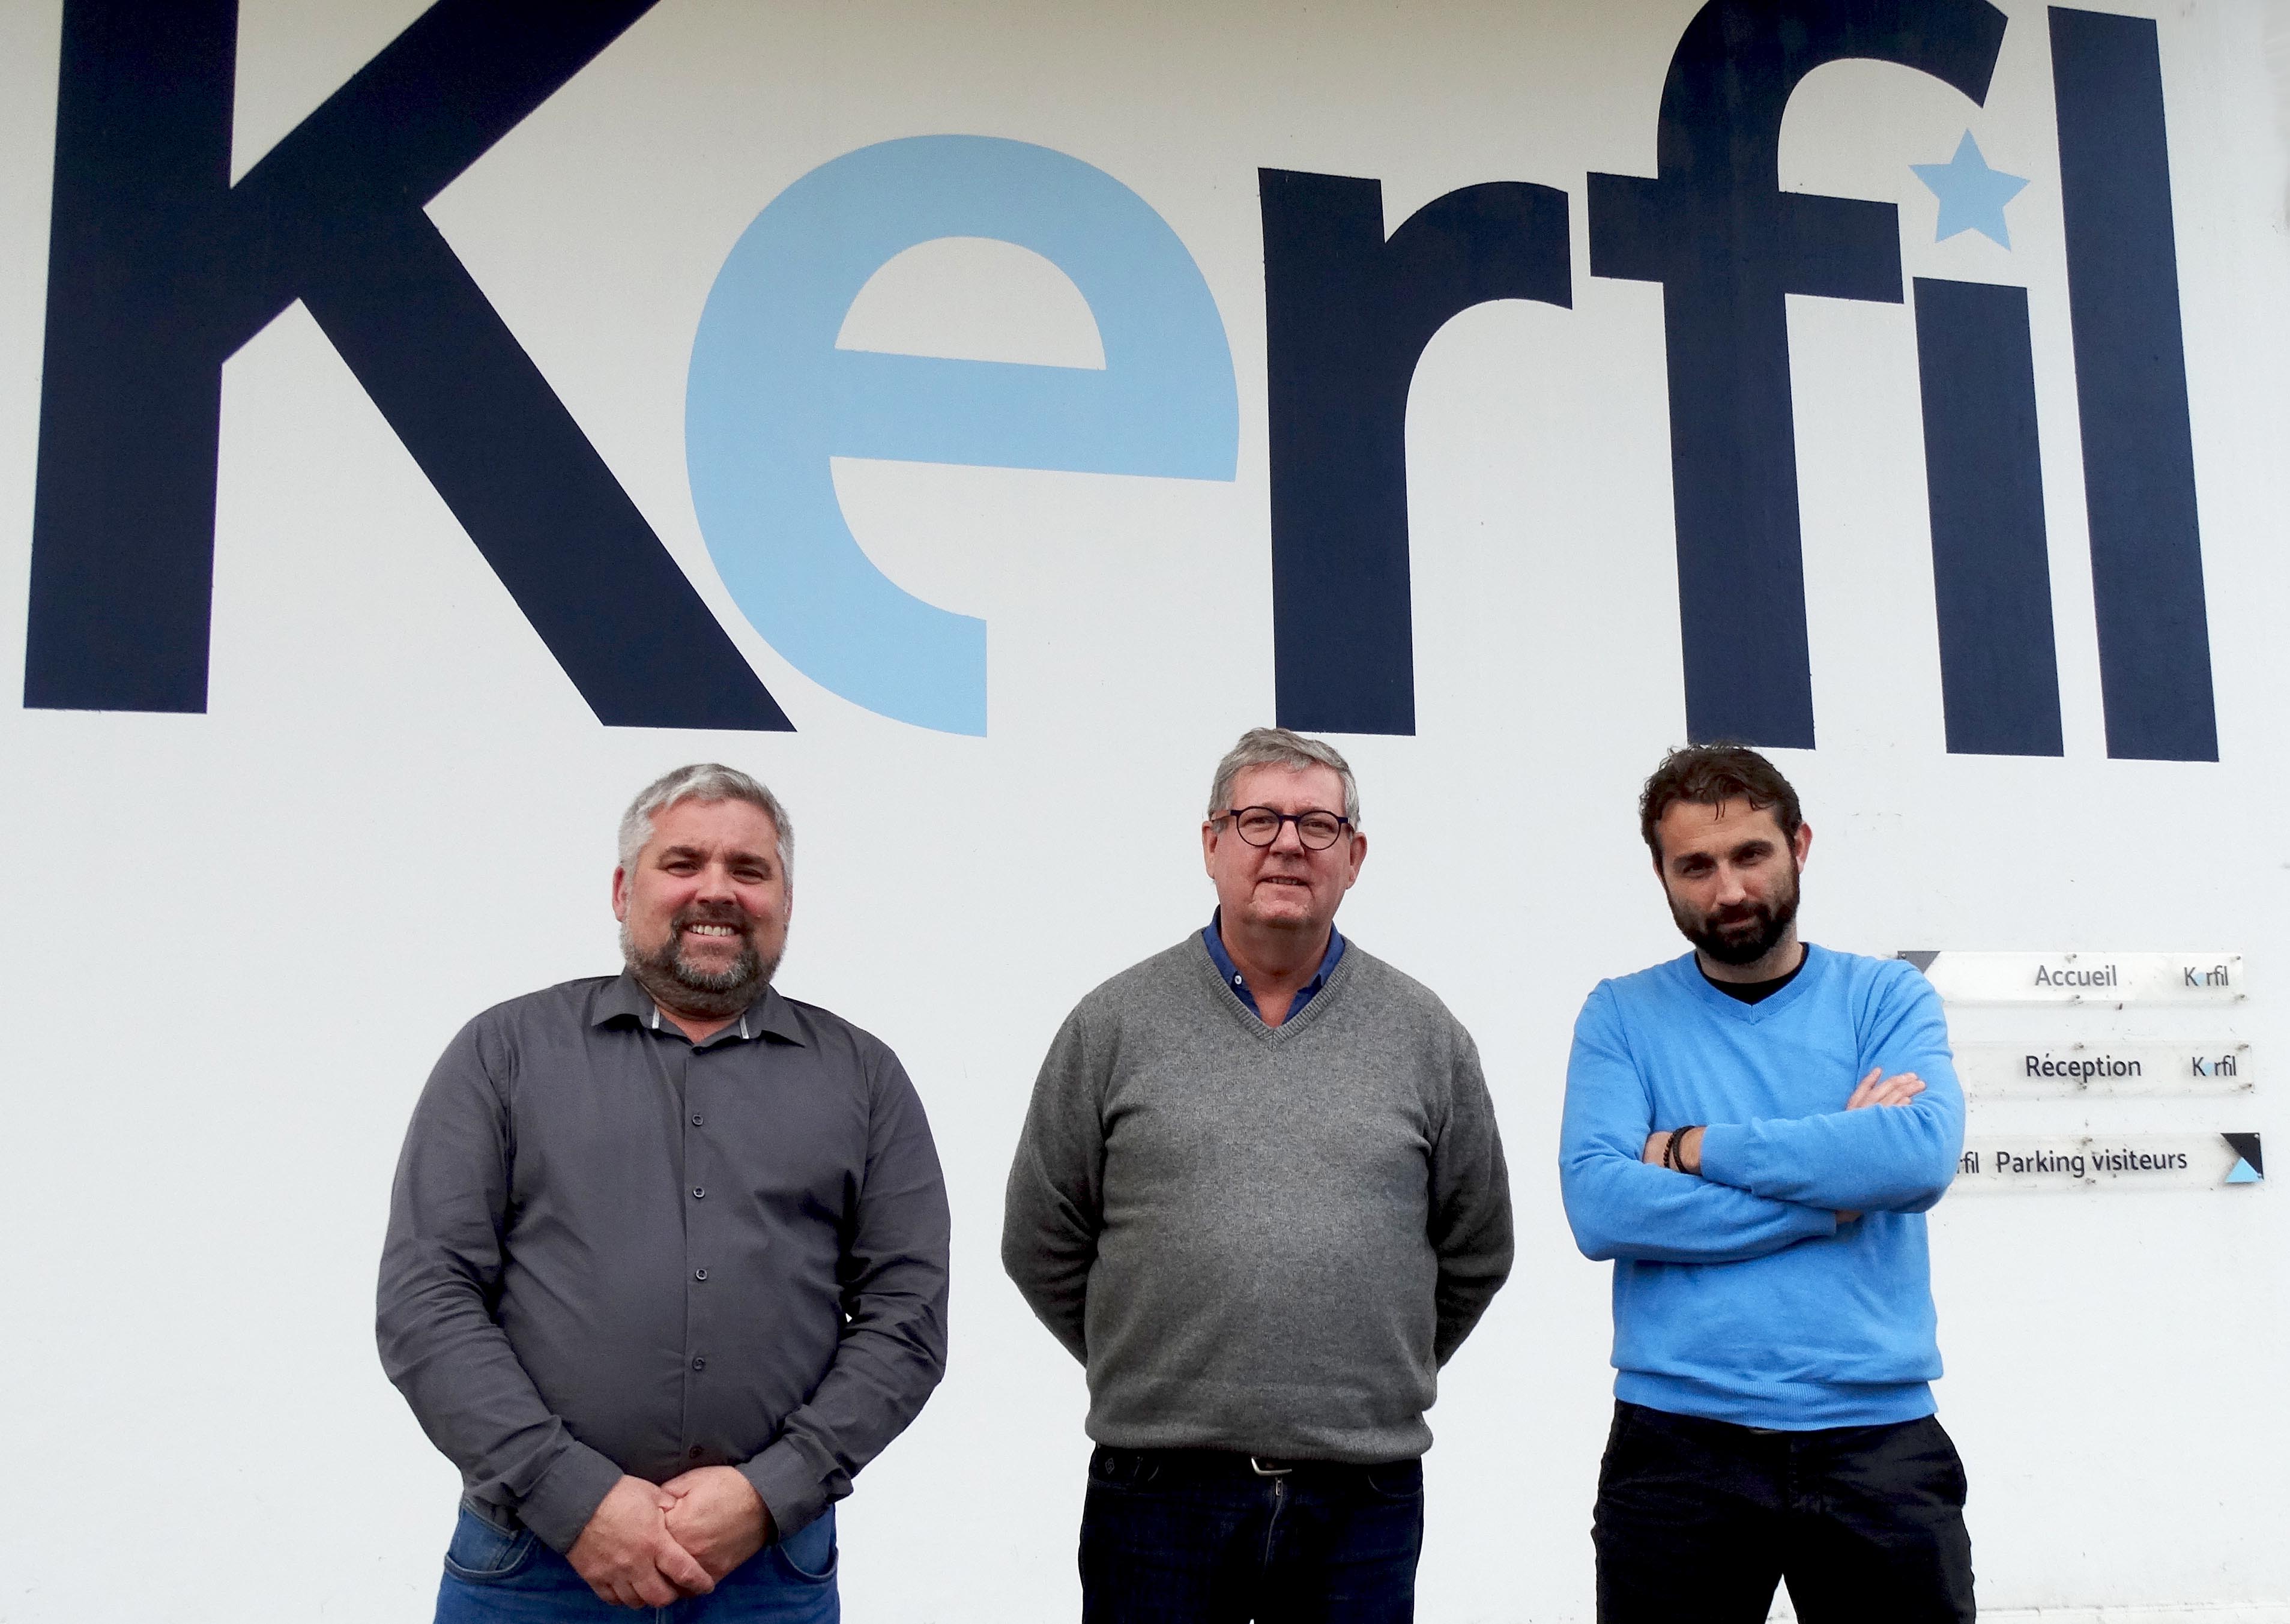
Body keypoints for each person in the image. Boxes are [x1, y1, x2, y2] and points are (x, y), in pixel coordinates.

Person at [379, 763, 950, 1620]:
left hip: (764, 1576)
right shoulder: (504, 1053)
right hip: (533, 1567)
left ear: (785, 899)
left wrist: (770, 1490)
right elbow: (427, 1301)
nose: (714, 890)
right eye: (682, 862)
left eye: (748, 870)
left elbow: (906, 1317)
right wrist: (571, 1496)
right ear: (622, 888)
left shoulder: (863, 1078)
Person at [1002, 726, 1514, 1623]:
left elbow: (1477, 1246)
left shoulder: (1425, 1034)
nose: (1286, 842)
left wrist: (1362, 1363)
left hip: (1361, 1499)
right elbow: (1040, 1239)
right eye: (1258, 819)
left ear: (1354, 857)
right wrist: (1157, 1355)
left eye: (1317, 825)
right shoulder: (1111, 1025)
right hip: (1155, 1492)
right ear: (1211, 843)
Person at [1558, 744, 1971, 1623]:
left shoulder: (1884, 997)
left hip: (1876, 1439)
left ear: (1799, 844)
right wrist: (1832, 1195)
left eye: (1750, 854)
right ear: (1662, 875)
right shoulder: (1621, 1015)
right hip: (1678, 1443)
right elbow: (1600, 1204)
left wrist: (1692, 1145)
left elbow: (1916, 1155)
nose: (1728, 890)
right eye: (1694, 866)